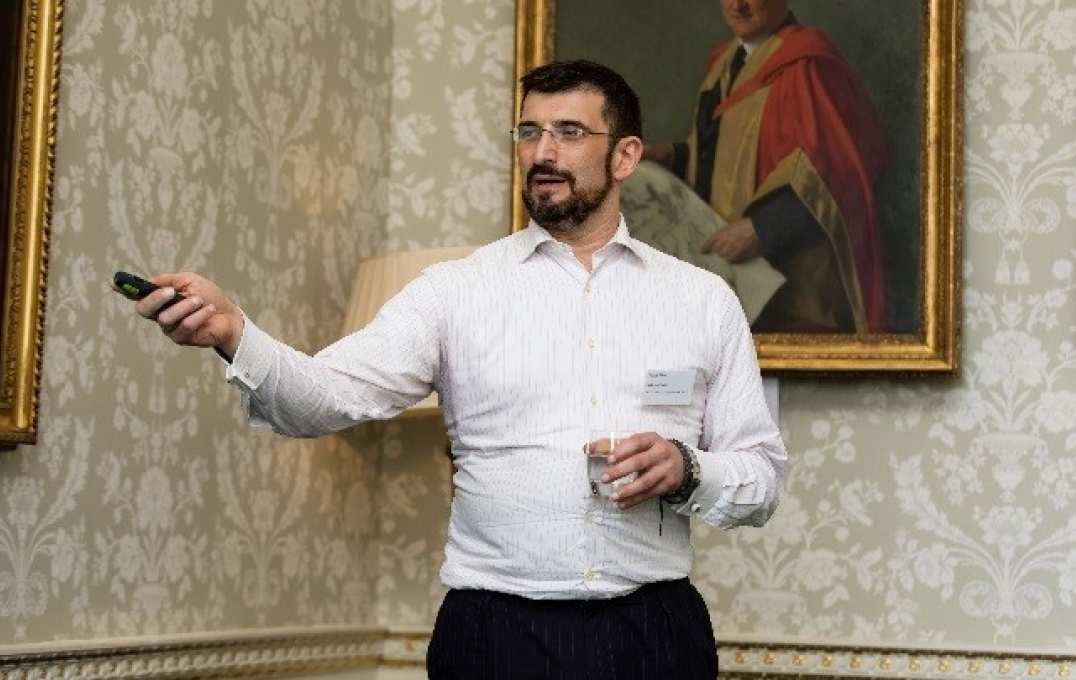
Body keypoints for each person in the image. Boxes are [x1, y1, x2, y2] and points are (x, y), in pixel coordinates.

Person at [120, 60, 786, 679]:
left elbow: (760, 478)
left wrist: (686, 468)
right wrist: (233, 332)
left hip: (655, 636)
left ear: (626, 156)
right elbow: (322, 397)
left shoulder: (702, 301)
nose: (542, 152)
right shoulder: (454, 292)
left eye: (569, 132)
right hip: (494, 635)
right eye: (529, 131)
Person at [646, 0, 889, 333]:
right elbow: (727, 156)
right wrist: (673, 156)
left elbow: (837, 171)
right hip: (731, 273)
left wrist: (763, 229)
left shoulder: (807, 65)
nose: (738, 5)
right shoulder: (725, 62)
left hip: (793, 284)